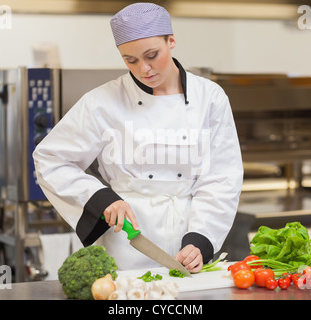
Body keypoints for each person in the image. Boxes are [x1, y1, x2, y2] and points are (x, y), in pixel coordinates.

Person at [33, 2, 243, 273]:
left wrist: (201, 240)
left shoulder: (210, 98)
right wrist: (100, 198)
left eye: (152, 55)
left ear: (171, 41)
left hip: (189, 242)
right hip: (126, 245)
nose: (144, 68)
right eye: (130, 60)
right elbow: (50, 159)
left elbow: (222, 176)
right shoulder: (101, 102)